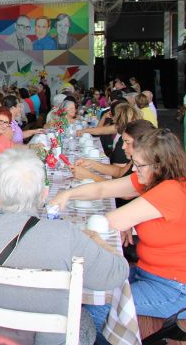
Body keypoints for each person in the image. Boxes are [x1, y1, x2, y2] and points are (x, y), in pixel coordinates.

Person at [0, 148, 129, 345]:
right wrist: (98, 240)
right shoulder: (67, 235)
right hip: (49, 341)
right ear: (44, 194)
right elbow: (117, 274)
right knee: (86, 320)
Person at [51, 128, 186, 337]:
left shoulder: (169, 190)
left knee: (100, 303)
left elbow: (109, 221)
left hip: (173, 287)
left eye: (139, 165)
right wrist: (67, 194)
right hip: (149, 273)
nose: (135, 170)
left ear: (159, 166)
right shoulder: (152, 180)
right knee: (92, 284)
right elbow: (102, 190)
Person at [71, 119, 154, 183]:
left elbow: (123, 193)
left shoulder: (147, 167)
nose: (123, 147)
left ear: (142, 142)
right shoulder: (137, 159)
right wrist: (91, 163)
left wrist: (89, 176)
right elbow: (119, 171)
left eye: (127, 142)